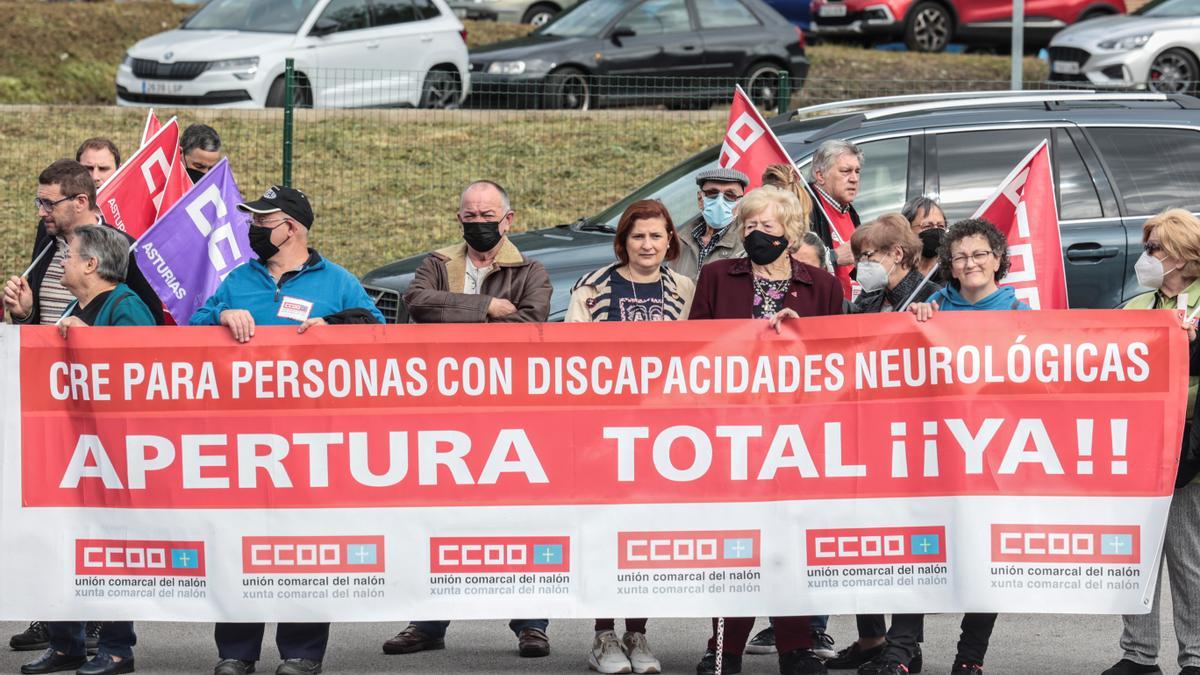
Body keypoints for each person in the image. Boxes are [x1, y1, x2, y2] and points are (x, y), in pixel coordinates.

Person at [190, 184, 382, 675]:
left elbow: (379, 331)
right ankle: (236, 653)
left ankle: (302, 653)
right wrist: (220, 318)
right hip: (243, 437)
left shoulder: (337, 281)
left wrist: (331, 327)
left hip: (310, 439)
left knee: (305, 546)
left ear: (290, 228)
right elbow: (192, 329)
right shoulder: (237, 279)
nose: (252, 230)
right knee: (238, 544)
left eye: (260, 221)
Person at [388, 180, 553, 658]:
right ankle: (428, 623)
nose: (479, 223)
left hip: (509, 411)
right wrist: (487, 307)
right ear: (459, 218)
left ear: (508, 218)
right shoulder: (437, 264)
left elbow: (530, 324)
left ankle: (532, 623)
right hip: (443, 408)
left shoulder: (532, 269)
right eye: (471, 216)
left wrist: (459, 315)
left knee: (519, 516)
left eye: (488, 215)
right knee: (439, 516)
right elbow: (416, 302)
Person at [689, 186, 842, 675]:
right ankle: (724, 649)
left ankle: (795, 646)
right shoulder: (716, 276)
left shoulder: (823, 286)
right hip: (731, 429)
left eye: (768, 227)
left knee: (790, 539)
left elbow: (839, 359)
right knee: (736, 542)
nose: (757, 235)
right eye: (750, 226)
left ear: (790, 233)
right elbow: (694, 347)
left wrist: (804, 337)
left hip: (799, 434)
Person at [17, 225, 152, 675]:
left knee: (110, 548)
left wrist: (90, 341)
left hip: (111, 455)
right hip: (72, 450)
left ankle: (117, 649)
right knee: (62, 543)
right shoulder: (81, 306)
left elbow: (139, 376)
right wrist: (23, 319)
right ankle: (66, 643)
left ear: (92, 265)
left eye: (70, 255)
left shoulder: (126, 306)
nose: (62, 262)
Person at [566, 199, 694, 673]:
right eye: (638, 236)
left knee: (646, 536)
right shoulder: (593, 288)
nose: (647, 244)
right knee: (605, 532)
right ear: (623, 241)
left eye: (657, 236)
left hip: (662, 434)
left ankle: (638, 635)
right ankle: (603, 637)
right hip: (603, 430)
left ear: (669, 241)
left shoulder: (685, 289)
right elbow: (572, 355)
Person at [903, 218, 1029, 675]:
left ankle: (970, 656)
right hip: (933, 451)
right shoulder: (930, 308)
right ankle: (902, 650)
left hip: (995, 453)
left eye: (980, 254)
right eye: (959, 257)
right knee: (918, 549)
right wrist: (911, 325)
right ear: (950, 267)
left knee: (985, 556)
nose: (970, 262)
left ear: (998, 260)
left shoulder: (1021, 312)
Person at [816, 216, 941, 674]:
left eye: (868, 255)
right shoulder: (868, 298)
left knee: (908, 542)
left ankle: (905, 646)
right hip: (862, 430)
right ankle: (872, 637)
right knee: (860, 537)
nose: (861, 264)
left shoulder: (929, 297)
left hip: (909, 434)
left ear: (897, 255)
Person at [1102, 209, 1200, 675]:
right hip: (1138, 445)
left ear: (1183, 256)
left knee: (1186, 557)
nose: (1148, 257)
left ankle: (1196, 656)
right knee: (1135, 553)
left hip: (1189, 443)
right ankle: (1138, 655)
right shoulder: (1136, 306)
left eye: (1156, 249)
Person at [4, 160, 163, 327]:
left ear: (80, 202)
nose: (41, 212)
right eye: (40, 202)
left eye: (49, 204)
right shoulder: (47, 235)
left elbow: (146, 330)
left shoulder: (124, 248)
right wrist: (25, 314)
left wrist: (88, 339)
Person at [671, 167, 749, 280]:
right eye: (712, 193)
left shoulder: (747, 244)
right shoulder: (678, 241)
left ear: (741, 203)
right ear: (700, 199)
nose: (719, 202)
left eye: (730, 195)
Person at [808, 140, 862, 302]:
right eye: (846, 171)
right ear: (820, 175)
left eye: (857, 171)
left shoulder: (851, 212)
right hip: (821, 311)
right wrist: (834, 256)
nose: (854, 179)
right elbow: (791, 261)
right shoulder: (804, 207)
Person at [901, 196, 946, 279]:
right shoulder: (896, 273)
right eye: (927, 226)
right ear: (907, 230)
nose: (936, 230)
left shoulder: (952, 273)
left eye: (941, 226)